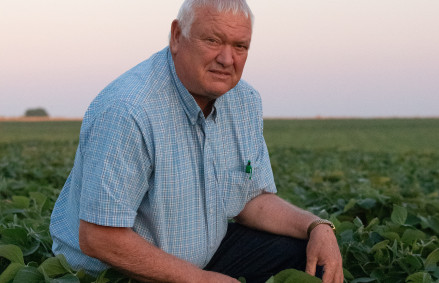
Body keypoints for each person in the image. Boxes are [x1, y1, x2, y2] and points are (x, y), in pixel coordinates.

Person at [49, 0, 343, 282]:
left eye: (239, 46)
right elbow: (99, 237)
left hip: (203, 260)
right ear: (177, 36)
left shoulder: (244, 101)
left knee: (306, 256)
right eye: (213, 41)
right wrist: (196, 279)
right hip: (117, 272)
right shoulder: (129, 110)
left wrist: (316, 226)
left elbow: (252, 200)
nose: (227, 59)